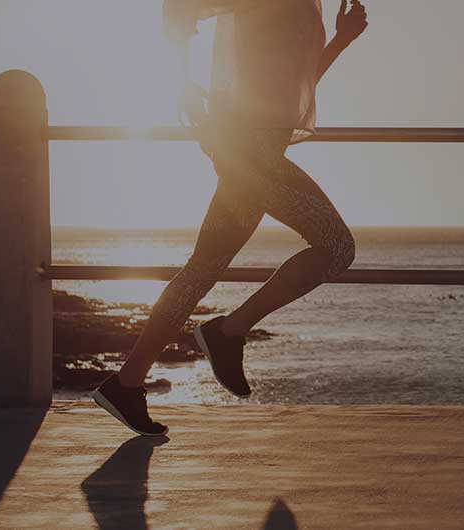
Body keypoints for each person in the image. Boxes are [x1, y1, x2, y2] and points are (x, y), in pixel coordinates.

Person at [91, 0, 369, 436]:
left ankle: (126, 383)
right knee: (337, 247)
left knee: (202, 268)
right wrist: (185, 89)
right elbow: (179, 9)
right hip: (249, 149)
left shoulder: (304, 8)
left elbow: (294, 86)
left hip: (254, 149)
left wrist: (340, 40)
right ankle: (229, 331)